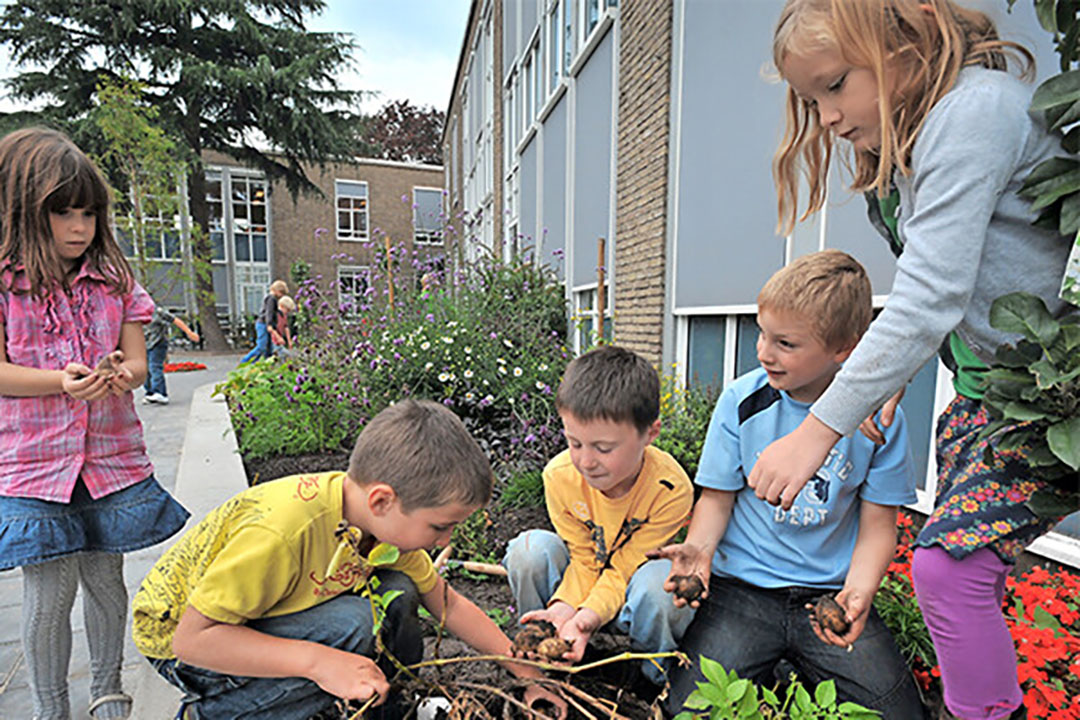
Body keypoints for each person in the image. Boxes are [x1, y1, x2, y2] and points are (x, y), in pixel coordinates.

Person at [750, 2, 1076, 718]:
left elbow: (930, 297)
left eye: (836, 84)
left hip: (1055, 396)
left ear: (909, 38)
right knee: (969, 574)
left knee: (948, 569)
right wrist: (888, 378)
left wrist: (817, 430)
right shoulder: (917, 139)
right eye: (812, 99)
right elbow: (955, 288)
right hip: (995, 390)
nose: (828, 117)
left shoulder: (974, 113)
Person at [132, 399, 566, 720]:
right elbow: (193, 640)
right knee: (355, 626)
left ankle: (390, 707)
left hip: (250, 619)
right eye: (440, 527)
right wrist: (319, 663)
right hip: (182, 641)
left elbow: (447, 603)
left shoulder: (380, 527)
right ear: (382, 500)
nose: (447, 539)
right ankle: (224, 711)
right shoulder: (282, 532)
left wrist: (523, 670)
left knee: (397, 592)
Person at [655, 250, 923, 717]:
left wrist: (857, 595)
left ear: (843, 350)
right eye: (763, 334)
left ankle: (785, 669)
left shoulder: (880, 420)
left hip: (829, 592)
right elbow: (717, 498)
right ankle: (776, 669)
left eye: (785, 343)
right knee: (689, 711)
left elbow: (879, 524)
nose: (763, 352)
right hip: (742, 591)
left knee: (897, 713)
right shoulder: (742, 401)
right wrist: (699, 550)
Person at [0, 128, 190, 720]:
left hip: (108, 456)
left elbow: (136, 361)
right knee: (49, 591)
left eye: (88, 212)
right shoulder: (5, 283)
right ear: (24, 209)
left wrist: (123, 373)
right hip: (33, 462)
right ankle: (50, 707)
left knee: (106, 579)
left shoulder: (113, 279)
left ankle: (109, 688)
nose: (79, 227)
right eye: (62, 212)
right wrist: (60, 381)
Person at [502, 345, 695, 687]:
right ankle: (545, 651)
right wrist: (565, 607)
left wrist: (589, 616)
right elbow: (583, 558)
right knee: (528, 550)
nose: (586, 461)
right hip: (580, 580)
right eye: (574, 443)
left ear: (650, 433)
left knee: (660, 585)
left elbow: (625, 568)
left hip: (630, 590)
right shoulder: (559, 476)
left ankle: (651, 681)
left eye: (603, 448)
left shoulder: (670, 488)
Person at [142, 303, 200, 405]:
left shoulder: (157, 311)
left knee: (154, 366)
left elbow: (174, 320)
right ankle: (150, 392)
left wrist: (189, 332)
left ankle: (161, 393)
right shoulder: (133, 313)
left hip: (158, 342)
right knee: (144, 369)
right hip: (143, 345)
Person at [239, 279, 287, 364]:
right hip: (263, 324)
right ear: (277, 291)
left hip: (265, 324)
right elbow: (269, 312)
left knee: (268, 348)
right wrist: (269, 325)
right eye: (281, 293)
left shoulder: (271, 299)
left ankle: (262, 363)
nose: (281, 296)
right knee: (262, 346)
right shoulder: (271, 299)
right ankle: (245, 361)